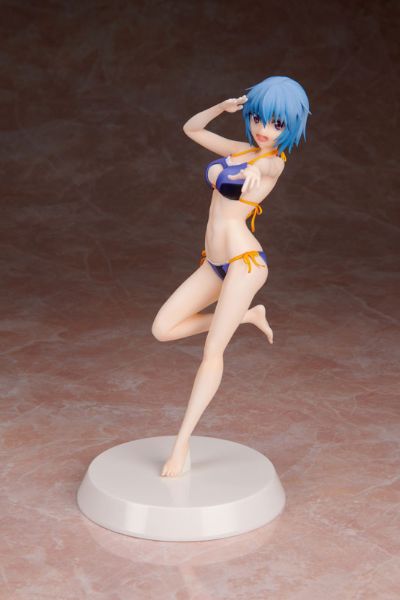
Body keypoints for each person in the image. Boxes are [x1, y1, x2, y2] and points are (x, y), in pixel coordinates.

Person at [151, 75, 310, 477]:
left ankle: (181, 445)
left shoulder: (272, 163)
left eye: (276, 123)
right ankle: (247, 316)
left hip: (243, 263)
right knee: (163, 329)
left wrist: (252, 175)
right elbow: (192, 129)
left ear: (291, 127)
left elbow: (260, 171)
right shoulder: (242, 149)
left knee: (212, 352)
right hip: (214, 263)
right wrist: (220, 109)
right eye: (258, 118)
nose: (264, 129)